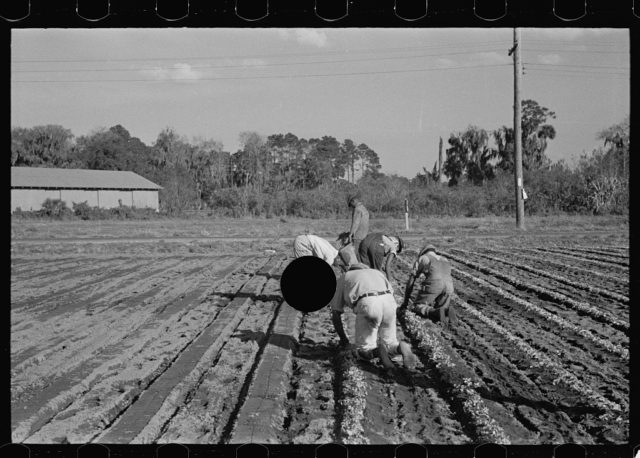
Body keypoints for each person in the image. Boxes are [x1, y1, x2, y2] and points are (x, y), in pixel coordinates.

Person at [330, 263, 417, 370]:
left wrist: (344, 340)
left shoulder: (345, 277)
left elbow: (335, 313)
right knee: (390, 342)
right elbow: (391, 292)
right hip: (389, 302)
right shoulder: (377, 273)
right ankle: (402, 347)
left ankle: (378, 351)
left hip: (368, 303)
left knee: (364, 349)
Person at [401, 244, 457, 326]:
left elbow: (411, 280)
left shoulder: (424, 258)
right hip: (449, 286)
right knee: (441, 308)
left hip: (435, 284)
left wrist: (405, 302)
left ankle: (434, 312)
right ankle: (446, 311)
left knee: (417, 306)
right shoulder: (445, 259)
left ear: (424, 251)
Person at [346, 193, 369, 261]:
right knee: (362, 254)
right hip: (364, 235)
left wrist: (350, 234)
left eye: (351, 205)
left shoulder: (357, 209)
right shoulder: (363, 208)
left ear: (353, 201)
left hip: (358, 236)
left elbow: (355, 223)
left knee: (355, 254)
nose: (351, 207)